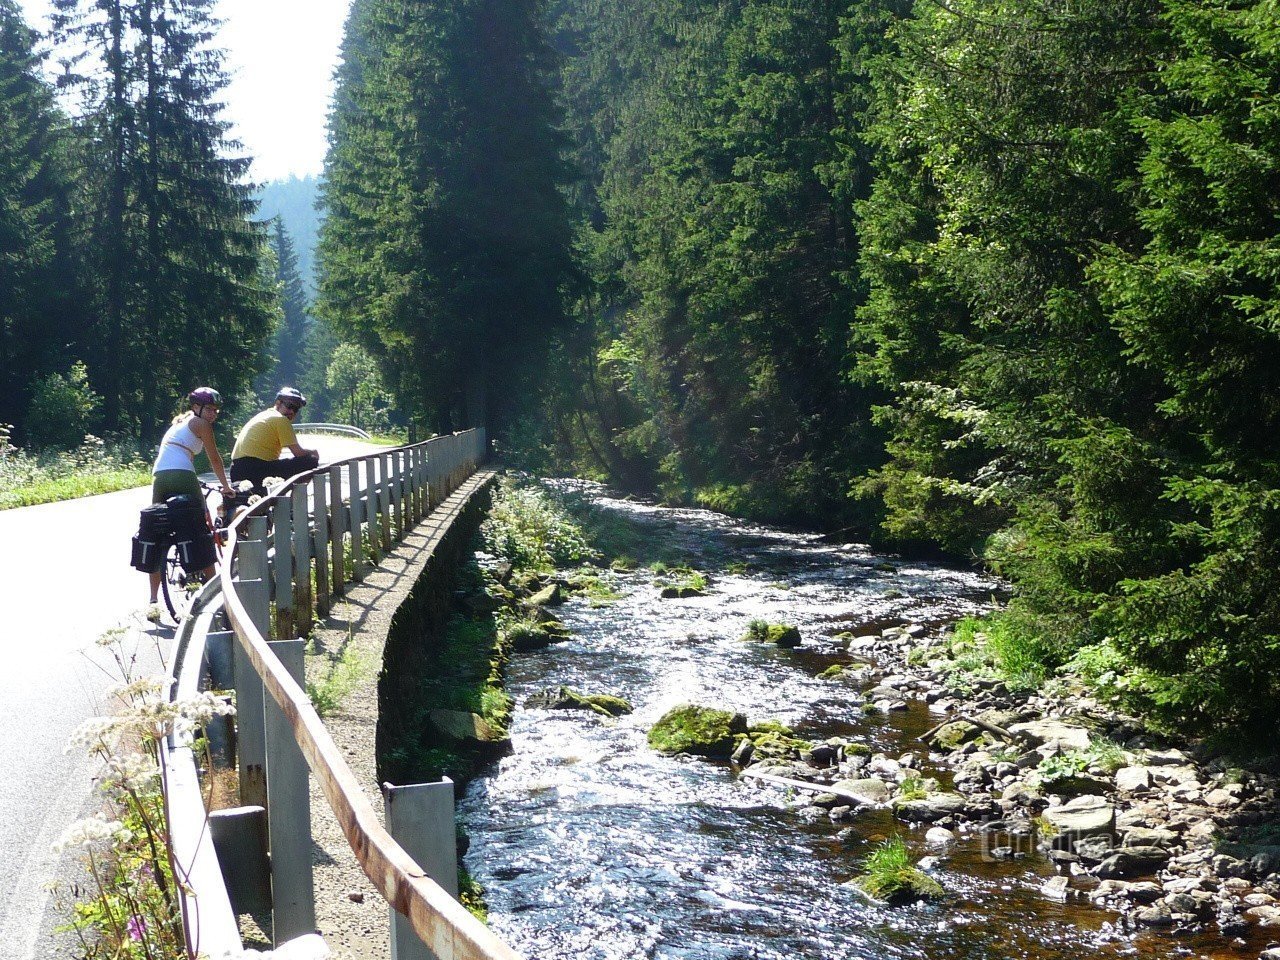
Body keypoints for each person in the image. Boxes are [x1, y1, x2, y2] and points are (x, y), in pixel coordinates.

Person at [147, 387, 234, 604]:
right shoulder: (200, 424)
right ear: (196, 407)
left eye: (216, 411)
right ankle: (214, 596)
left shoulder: (178, 425)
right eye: (209, 409)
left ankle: (153, 600)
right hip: (183, 477)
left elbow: (184, 457)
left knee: (156, 532)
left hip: (159, 477)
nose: (213, 414)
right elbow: (214, 458)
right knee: (202, 530)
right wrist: (226, 487)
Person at [229, 387, 320, 497]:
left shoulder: (264, 415)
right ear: (278, 402)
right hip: (257, 468)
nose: (292, 411)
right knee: (310, 461)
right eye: (290, 406)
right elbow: (298, 453)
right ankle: (295, 503)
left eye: (296, 409)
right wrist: (313, 452)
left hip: (236, 469)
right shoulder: (281, 419)